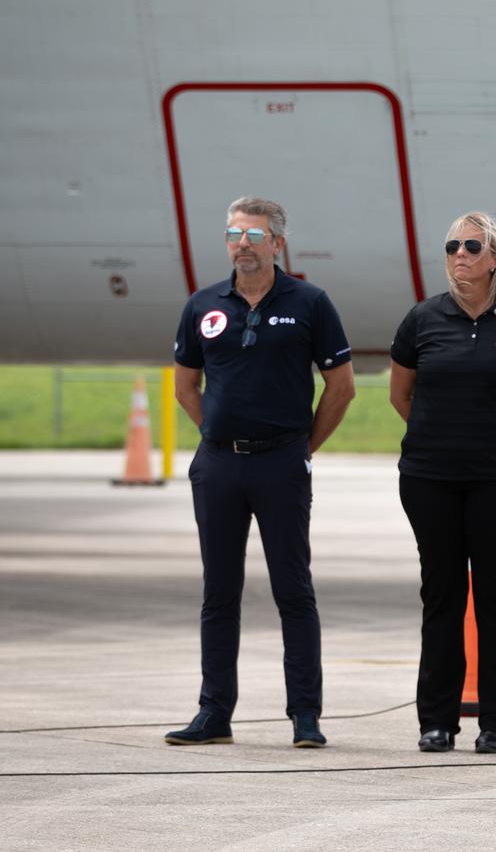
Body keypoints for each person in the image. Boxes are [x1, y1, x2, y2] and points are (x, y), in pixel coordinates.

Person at [167, 196, 356, 748]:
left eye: (253, 235)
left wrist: (302, 447)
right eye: (233, 234)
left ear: (278, 243)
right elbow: (185, 384)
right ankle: (213, 713)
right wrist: (217, 436)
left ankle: (305, 716)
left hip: (282, 462)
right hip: (219, 465)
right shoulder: (203, 305)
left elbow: (341, 387)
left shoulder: (310, 303)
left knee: (293, 591)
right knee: (218, 593)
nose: (241, 244)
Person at [390, 212, 496, 755]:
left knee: (495, 596)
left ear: (495, 259)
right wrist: (441, 441)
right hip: (430, 479)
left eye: (472, 246)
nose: (460, 254)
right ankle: (436, 721)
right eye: (451, 246)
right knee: (440, 594)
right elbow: (401, 397)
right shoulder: (423, 319)